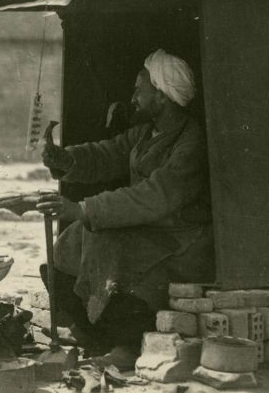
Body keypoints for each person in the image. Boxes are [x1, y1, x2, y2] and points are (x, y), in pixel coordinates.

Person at [36, 49, 214, 370]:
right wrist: (66, 159)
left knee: (110, 244)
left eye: (139, 88)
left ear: (161, 96)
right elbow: (108, 154)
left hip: (181, 239)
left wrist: (84, 208)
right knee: (75, 238)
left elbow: (153, 196)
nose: (133, 96)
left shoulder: (191, 143)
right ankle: (92, 333)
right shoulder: (146, 133)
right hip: (149, 229)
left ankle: (127, 345)